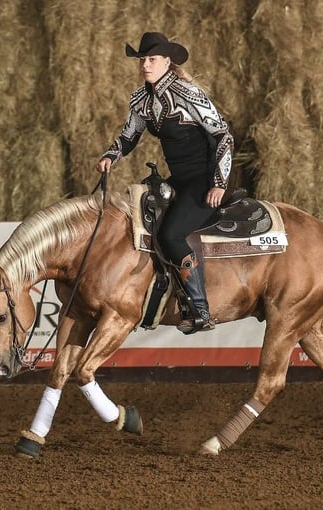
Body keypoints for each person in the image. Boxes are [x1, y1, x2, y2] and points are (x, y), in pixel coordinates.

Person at [96, 32, 234, 333]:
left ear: (167, 61)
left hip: (204, 180)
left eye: (152, 59)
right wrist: (110, 155)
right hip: (179, 180)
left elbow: (223, 134)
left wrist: (219, 183)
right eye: (142, 60)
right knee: (143, 221)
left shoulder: (188, 93)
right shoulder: (141, 99)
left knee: (171, 234)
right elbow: (129, 135)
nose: (145, 65)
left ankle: (200, 308)